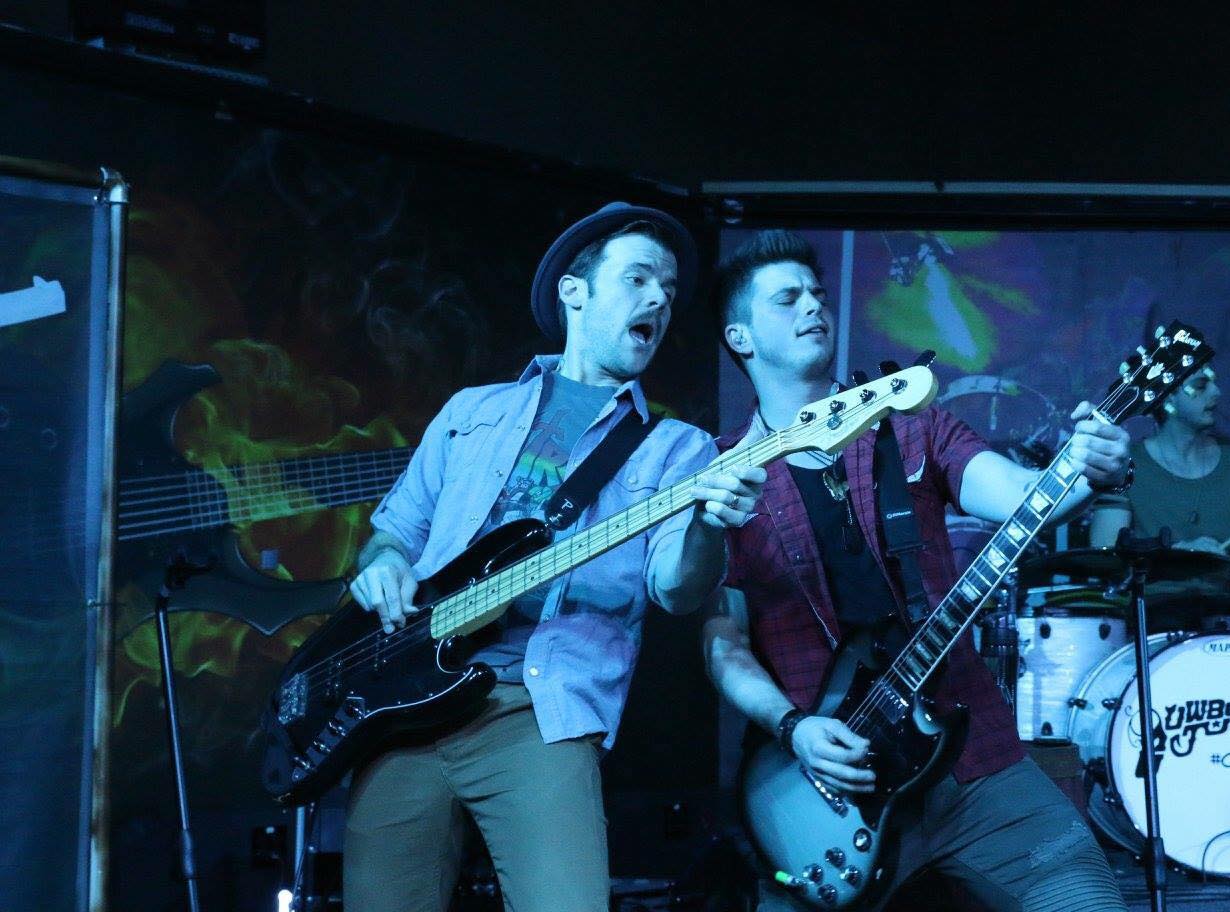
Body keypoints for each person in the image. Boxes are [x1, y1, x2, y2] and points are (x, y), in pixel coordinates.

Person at [343, 203, 765, 912]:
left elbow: (676, 589)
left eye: (667, 291)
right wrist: (383, 563)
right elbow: (394, 535)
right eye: (637, 279)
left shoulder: (678, 449)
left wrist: (708, 525)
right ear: (575, 291)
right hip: (402, 707)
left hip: (536, 710)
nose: (659, 300)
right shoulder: (470, 412)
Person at [702, 229, 1132, 911]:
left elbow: (1024, 497)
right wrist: (792, 728)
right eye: (787, 299)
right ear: (741, 337)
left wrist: (1089, 468)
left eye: (818, 294)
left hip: (972, 758)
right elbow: (722, 640)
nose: (813, 305)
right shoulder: (725, 477)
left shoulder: (908, 423)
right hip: (823, 785)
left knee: (1088, 900)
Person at [1089, 365, 1230, 553]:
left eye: (1213, 382)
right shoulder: (1123, 467)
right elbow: (1106, 553)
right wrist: (1178, 556)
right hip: (1152, 577)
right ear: (1169, 397)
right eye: (1200, 385)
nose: (1216, 391)